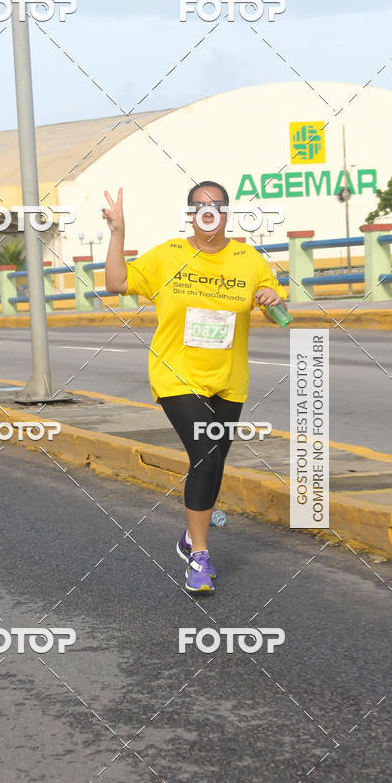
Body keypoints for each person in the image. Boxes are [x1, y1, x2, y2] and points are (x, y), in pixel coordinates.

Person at [103, 182, 287, 594]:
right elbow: (117, 283)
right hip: (176, 374)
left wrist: (273, 299)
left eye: (218, 206)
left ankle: (189, 535)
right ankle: (199, 557)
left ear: (227, 213)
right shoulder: (169, 255)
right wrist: (117, 232)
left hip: (228, 381)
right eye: (201, 206)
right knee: (205, 454)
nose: (210, 212)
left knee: (214, 461)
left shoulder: (247, 259)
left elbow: (280, 314)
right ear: (191, 214)